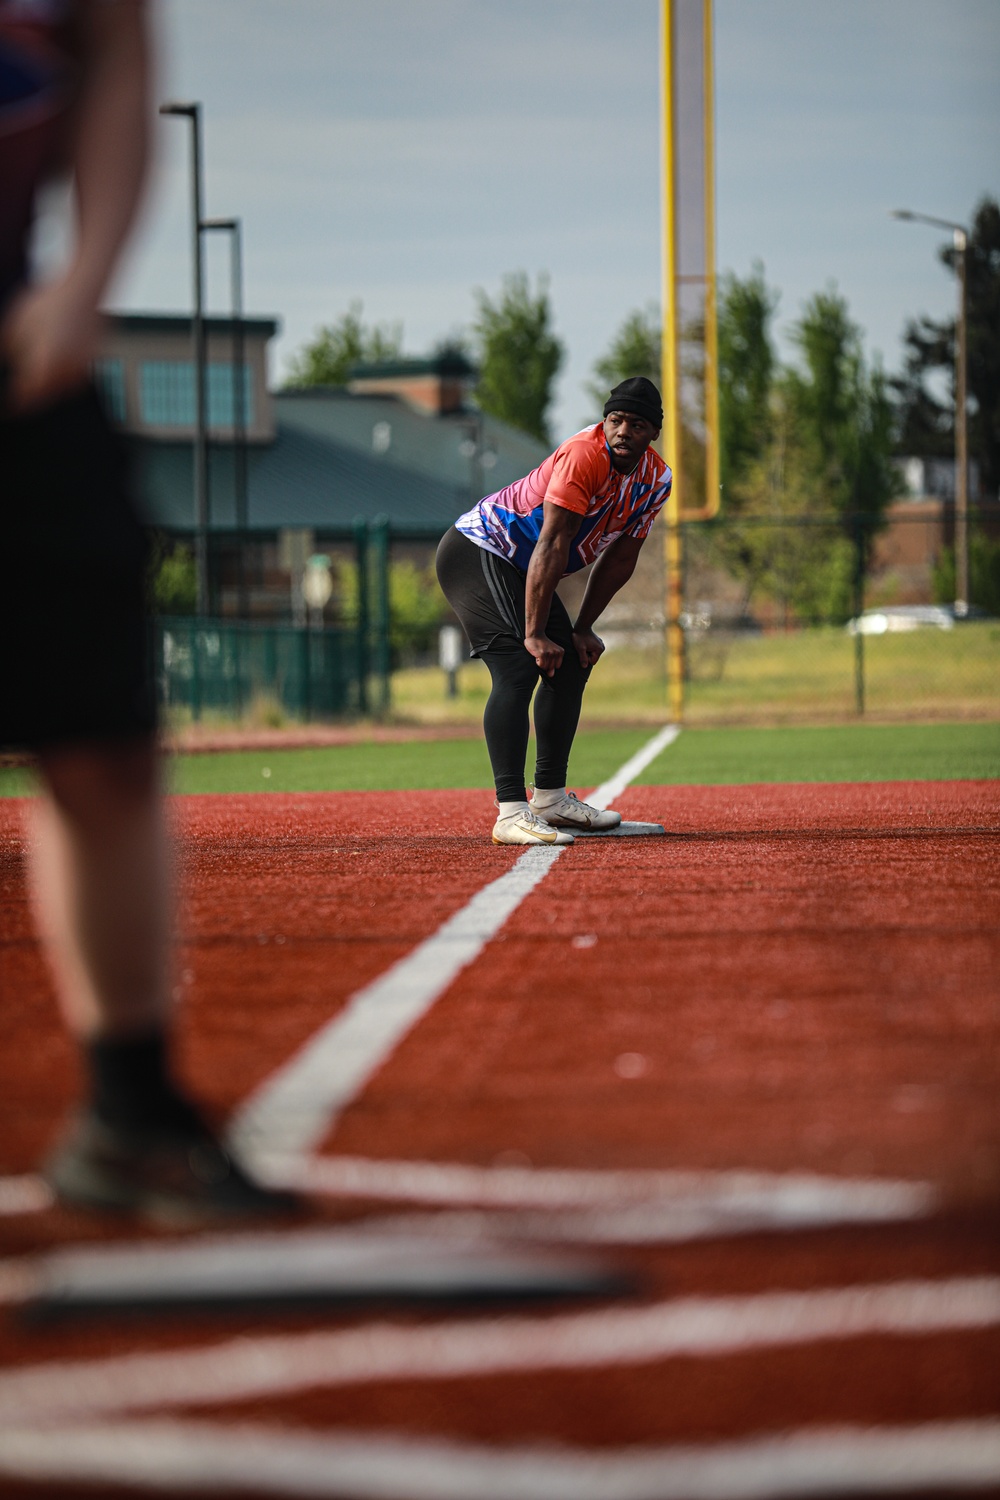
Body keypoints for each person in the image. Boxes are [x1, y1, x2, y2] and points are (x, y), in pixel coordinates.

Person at [0, 0, 294, 1222]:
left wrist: (85, 282)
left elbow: (112, 43)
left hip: (16, 342)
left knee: (105, 747)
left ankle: (126, 1115)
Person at [436, 377, 671, 846]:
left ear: (653, 434)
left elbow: (622, 557)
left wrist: (582, 628)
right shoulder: (584, 455)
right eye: (616, 420)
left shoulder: (655, 479)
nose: (623, 431)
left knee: (570, 665)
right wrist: (534, 632)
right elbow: (552, 542)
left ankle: (550, 799)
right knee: (520, 665)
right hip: (480, 551)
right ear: (605, 422)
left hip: (524, 566)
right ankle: (510, 811)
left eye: (637, 424)